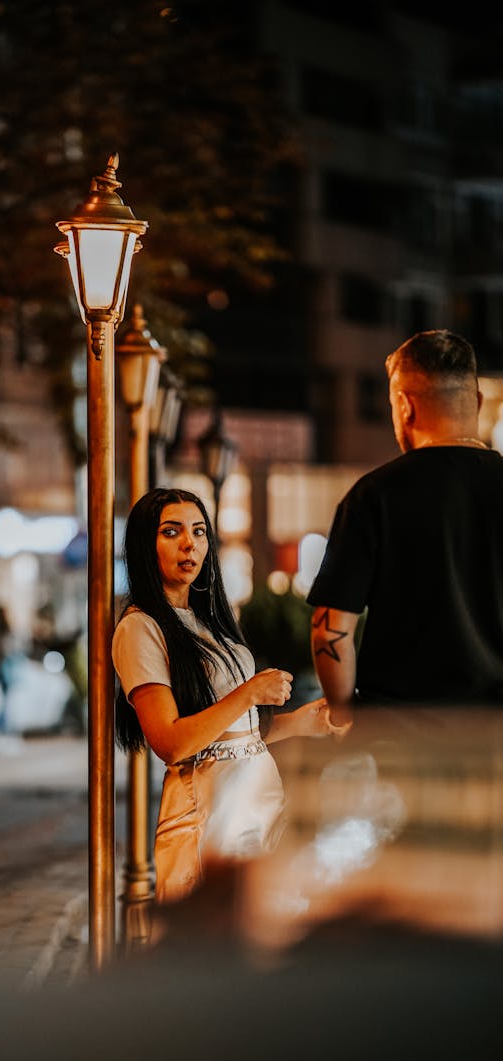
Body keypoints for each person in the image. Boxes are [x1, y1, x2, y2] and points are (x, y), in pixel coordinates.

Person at [112, 486, 337, 908]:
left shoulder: (208, 620)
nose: (189, 544)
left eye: (199, 532)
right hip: (211, 808)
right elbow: (172, 742)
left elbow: (231, 737)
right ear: (146, 544)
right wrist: (250, 692)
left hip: (257, 798)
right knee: (215, 946)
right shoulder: (139, 627)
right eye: (171, 531)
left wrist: (304, 722)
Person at [308, 329, 503, 732]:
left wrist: (344, 718)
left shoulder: (374, 495)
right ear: (479, 402)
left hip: (401, 737)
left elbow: (331, 628)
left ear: (404, 405)